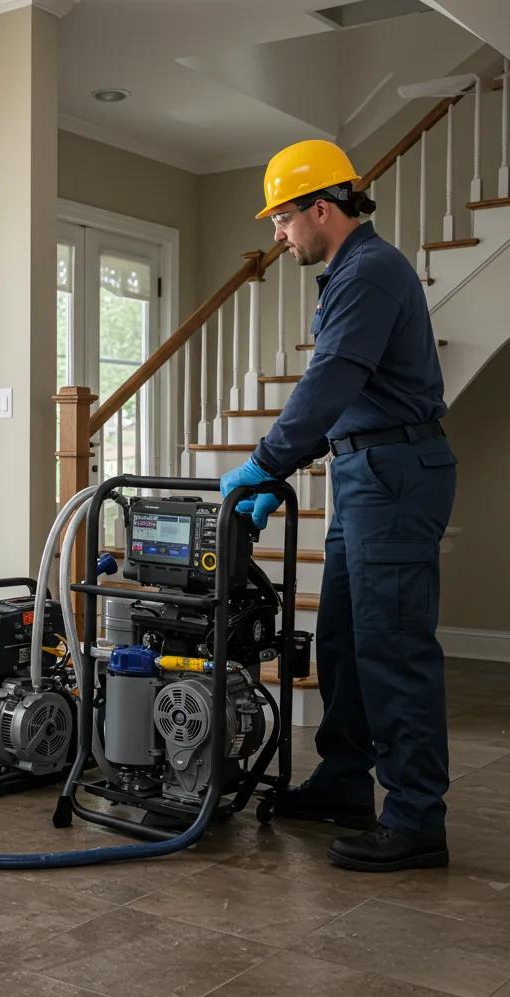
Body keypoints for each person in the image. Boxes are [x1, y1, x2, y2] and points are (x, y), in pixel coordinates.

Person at [220, 140, 457, 872]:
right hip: (364, 471)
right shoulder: (348, 274)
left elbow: (327, 386)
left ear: (322, 208)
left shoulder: (371, 273)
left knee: (392, 646)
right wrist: (276, 469)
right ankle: (344, 782)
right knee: (345, 641)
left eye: (284, 218)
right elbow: (341, 395)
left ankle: (416, 819)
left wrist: (261, 464)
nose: (278, 234)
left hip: (394, 473)